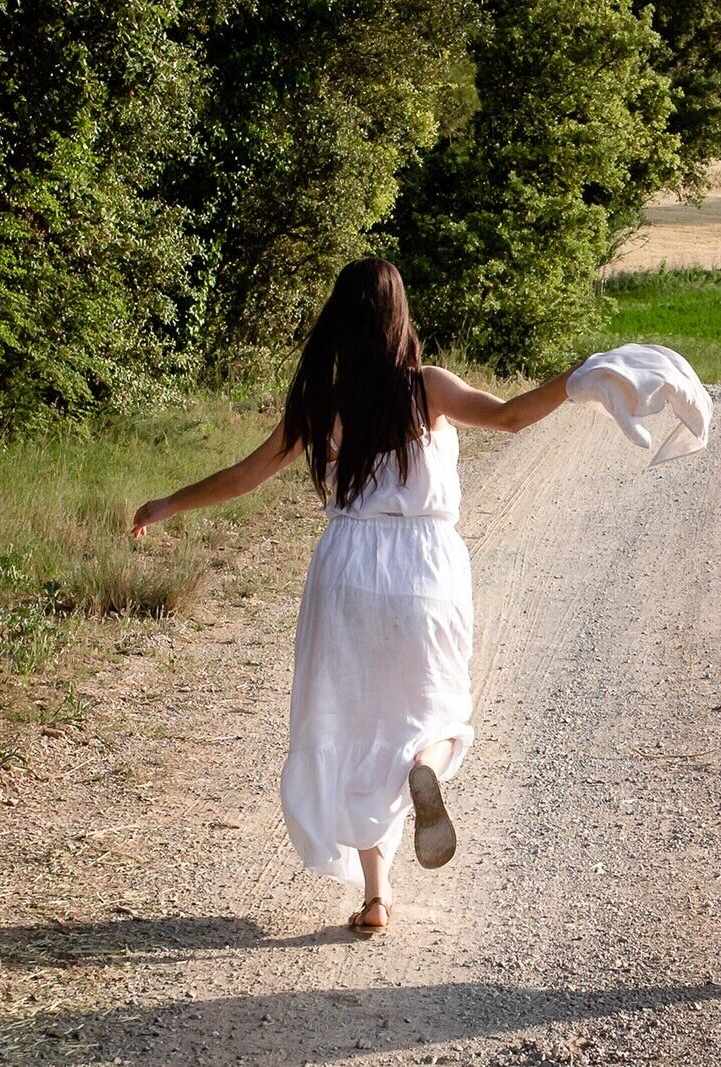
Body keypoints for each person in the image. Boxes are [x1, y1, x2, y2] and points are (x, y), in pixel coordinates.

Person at [132, 257, 580, 935]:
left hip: (346, 570)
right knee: (435, 706)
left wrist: (166, 504)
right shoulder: (426, 390)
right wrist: (580, 378)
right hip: (423, 569)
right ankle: (427, 766)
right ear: (399, 317)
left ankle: (377, 895)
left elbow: (245, 475)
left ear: (340, 320)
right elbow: (513, 416)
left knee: (355, 722)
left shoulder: (322, 403)